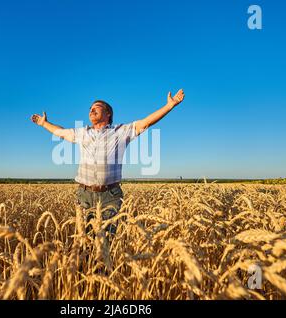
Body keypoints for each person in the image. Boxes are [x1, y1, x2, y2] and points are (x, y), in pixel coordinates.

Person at [31, 89, 185, 239]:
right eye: (90, 109)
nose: (91, 110)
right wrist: (44, 123)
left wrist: (169, 106)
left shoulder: (120, 132)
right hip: (84, 194)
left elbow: (145, 123)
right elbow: (61, 132)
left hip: (110, 196)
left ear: (108, 114)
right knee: (83, 240)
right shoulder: (82, 133)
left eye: (96, 107)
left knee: (107, 241)